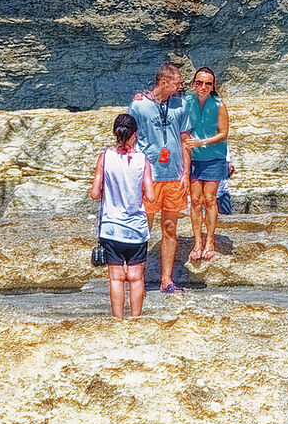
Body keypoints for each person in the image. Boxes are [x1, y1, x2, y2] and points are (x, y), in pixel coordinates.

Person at [128, 64, 195, 294]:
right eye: (177, 82)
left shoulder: (181, 105)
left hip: (174, 176)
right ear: (164, 82)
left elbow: (185, 140)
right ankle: (137, 277)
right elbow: (130, 139)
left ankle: (166, 280)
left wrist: (186, 173)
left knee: (170, 228)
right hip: (148, 177)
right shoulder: (138, 106)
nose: (181, 86)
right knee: (142, 228)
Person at [89, 112, 156, 318]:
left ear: (114, 133)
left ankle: (118, 322)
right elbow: (151, 196)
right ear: (135, 134)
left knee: (116, 277)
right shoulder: (142, 160)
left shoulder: (104, 157)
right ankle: (136, 321)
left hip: (111, 228)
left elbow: (94, 193)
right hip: (136, 229)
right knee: (136, 277)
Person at [184, 67, 230, 262]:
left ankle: (210, 241)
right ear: (193, 83)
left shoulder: (219, 104)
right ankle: (197, 243)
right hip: (194, 159)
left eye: (208, 83)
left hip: (213, 158)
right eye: (199, 82)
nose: (203, 86)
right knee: (195, 200)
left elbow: (224, 133)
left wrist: (201, 142)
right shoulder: (186, 102)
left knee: (210, 199)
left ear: (213, 86)